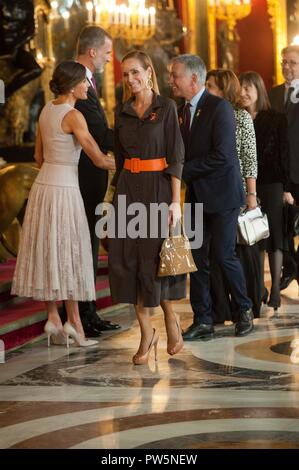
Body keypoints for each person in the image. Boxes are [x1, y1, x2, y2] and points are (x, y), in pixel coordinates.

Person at [11, 60, 115, 347]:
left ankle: (54, 319)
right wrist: (123, 164)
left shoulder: (46, 110)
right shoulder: (73, 116)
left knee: (48, 250)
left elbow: (38, 157)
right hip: (65, 189)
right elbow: (97, 157)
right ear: (72, 86)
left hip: (44, 186)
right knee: (70, 251)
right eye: (83, 82)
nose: (87, 86)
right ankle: (76, 327)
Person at [108, 50, 186, 365]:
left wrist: (176, 203)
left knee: (156, 259)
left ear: (148, 72)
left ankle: (170, 320)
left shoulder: (166, 108)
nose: (130, 79)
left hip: (158, 190)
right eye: (125, 74)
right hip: (127, 191)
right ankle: (146, 333)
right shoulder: (121, 111)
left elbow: (177, 157)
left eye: (135, 73)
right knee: (127, 260)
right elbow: (117, 159)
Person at [168, 54, 253, 339]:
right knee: (196, 259)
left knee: (224, 255)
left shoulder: (220, 108)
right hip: (195, 197)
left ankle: (243, 310)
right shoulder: (180, 110)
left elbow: (223, 156)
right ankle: (203, 320)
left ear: (193, 78)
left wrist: (181, 171)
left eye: (175, 75)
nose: (171, 81)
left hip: (223, 195)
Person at [74, 26, 120, 336]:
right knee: (83, 246)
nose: (108, 58)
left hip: (90, 176)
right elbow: (99, 134)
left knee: (89, 244)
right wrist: (138, 133)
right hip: (83, 176)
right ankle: (84, 314)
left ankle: (89, 311)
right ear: (92, 51)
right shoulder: (78, 82)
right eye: (106, 52)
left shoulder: (85, 79)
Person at [205, 69, 260, 322]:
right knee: (211, 256)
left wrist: (251, 195)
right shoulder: (203, 115)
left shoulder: (241, 117)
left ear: (224, 89)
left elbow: (249, 160)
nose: (206, 90)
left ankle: (244, 306)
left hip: (232, 192)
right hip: (206, 192)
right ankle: (218, 310)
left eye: (211, 86)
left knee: (229, 253)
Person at [240, 71, 293, 314]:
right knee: (255, 237)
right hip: (248, 185)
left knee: (275, 238)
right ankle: (258, 289)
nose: (244, 92)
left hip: (272, 184)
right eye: (240, 88)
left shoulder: (275, 118)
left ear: (259, 90)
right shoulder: (238, 118)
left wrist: (286, 188)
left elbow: (285, 154)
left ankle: (274, 292)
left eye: (249, 87)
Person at [268, 45, 299, 291]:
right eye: (284, 62)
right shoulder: (273, 94)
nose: (286, 67)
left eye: (292, 62)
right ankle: (289, 267)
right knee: (282, 226)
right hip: (280, 172)